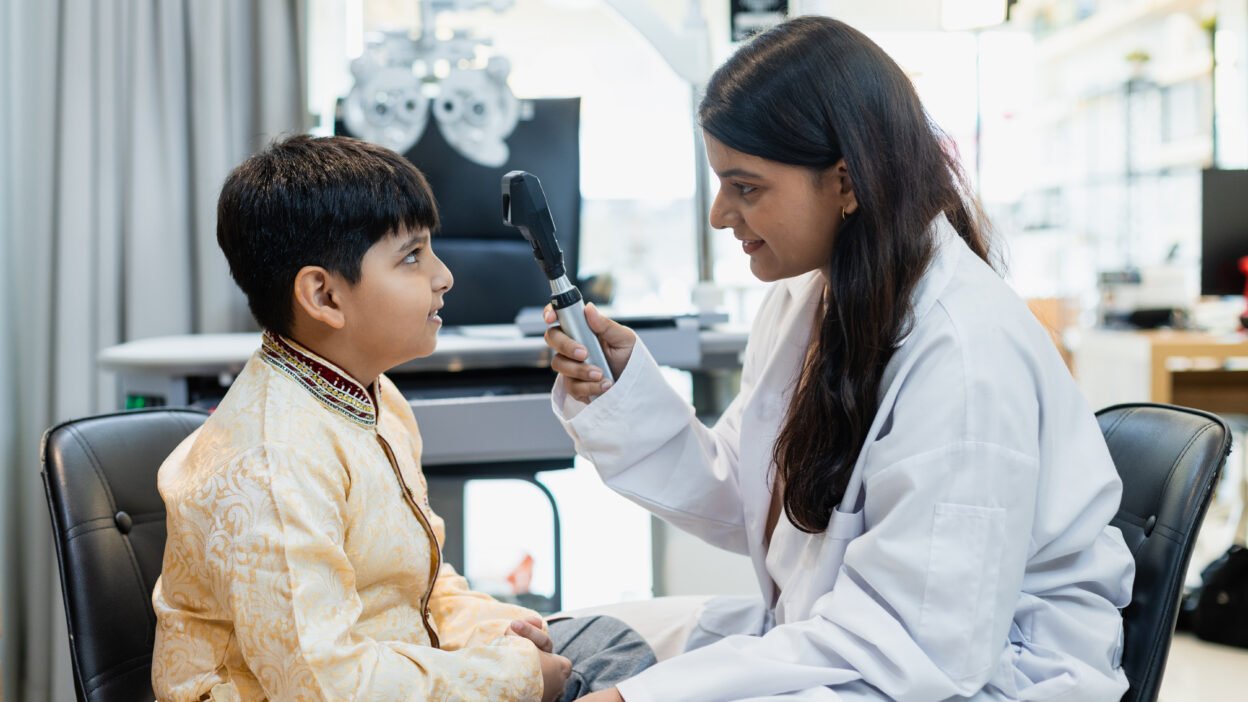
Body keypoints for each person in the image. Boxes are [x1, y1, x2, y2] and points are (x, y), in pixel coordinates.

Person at [542, 16, 1134, 702]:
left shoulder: (964, 355)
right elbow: (746, 499)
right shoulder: (810, 301)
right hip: (858, 643)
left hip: (970, 677)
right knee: (573, 636)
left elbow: (918, 643)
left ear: (846, 181)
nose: (719, 215)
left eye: (746, 187)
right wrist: (621, 393)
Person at [151, 135, 655, 701]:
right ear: (324, 296)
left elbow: (426, 583)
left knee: (610, 643)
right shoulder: (270, 462)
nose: (444, 276)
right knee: (615, 675)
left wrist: (500, 635)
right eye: (412, 257)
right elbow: (322, 686)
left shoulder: (376, 396)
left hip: (400, 661)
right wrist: (512, 679)